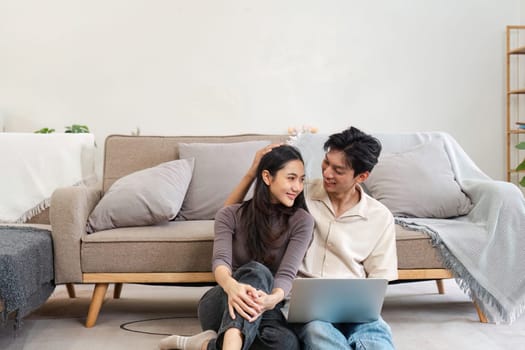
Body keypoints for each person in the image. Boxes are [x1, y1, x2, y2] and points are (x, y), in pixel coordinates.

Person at [225, 126, 398, 350]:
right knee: (318, 334)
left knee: (377, 338)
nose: (326, 173)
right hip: (306, 306)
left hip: (354, 306)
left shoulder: (380, 217)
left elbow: (379, 279)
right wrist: (252, 172)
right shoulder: (299, 192)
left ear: (362, 176)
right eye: (326, 163)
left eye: (338, 170)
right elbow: (230, 218)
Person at [159, 145, 314, 350]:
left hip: (264, 304)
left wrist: (271, 300)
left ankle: (201, 344)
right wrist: (232, 287)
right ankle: (231, 340)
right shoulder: (231, 215)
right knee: (256, 271)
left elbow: (287, 273)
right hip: (222, 300)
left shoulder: (302, 221)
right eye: (291, 178)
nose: (298, 187)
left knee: (286, 344)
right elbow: (221, 261)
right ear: (267, 177)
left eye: (302, 179)